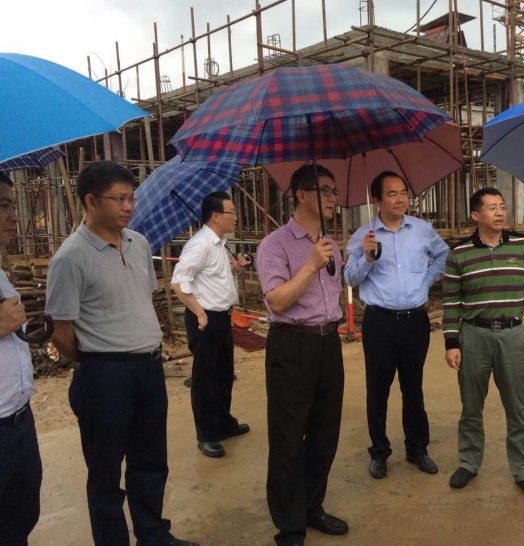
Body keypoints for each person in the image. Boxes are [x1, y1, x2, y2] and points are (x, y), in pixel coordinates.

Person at [45, 161, 198, 546]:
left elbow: (138, 301)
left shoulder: (138, 243)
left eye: (132, 198)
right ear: (91, 201)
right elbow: (61, 330)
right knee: (105, 474)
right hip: (104, 376)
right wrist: (97, 361)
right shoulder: (70, 258)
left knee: (151, 462)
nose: (129, 206)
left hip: (148, 370)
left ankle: (153, 535)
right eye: (119, 199)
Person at [255, 164, 348, 546]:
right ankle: (290, 527)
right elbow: (277, 301)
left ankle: (312, 506)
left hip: (328, 343)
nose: (332, 198)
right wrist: (310, 264)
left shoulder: (331, 244)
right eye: (324, 190)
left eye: (333, 191)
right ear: (301, 194)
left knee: (326, 432)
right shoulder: (274, 245)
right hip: (292, 344)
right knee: (288, 437)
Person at [442, 187, 524, 502]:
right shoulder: (459, 253)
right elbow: (451, 302)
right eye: (491, 207)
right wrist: (451, 342)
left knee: (517, 407)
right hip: (474, 335)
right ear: (475, 215)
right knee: (471, 406)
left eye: (502, 206)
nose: (500, 212)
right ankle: (468, 462)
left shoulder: (523, 247)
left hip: (512, 335)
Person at [344, 171, 449, 479]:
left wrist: (425, 282)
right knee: (378, 390)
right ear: (376, 200)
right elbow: (349, 278)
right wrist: (367, 257)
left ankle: (418, 449)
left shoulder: (422, 230)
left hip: (415, 321)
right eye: (392, 194)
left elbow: (443, 256)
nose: (401, 199)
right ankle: (379, 452)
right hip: (379, 322)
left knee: (413, 387)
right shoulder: (364, 236)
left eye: (403, 192)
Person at [171, 191, 250, 459]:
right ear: (216, 216)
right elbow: (178, 283)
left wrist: (235, 270)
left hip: (222, 317)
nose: (235, 217)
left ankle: (223, 423)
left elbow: (213, 278)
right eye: (231, 212)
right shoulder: (200, 244)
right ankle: (206, 435)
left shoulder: (220, 243)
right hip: (204, 319)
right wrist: (199, 313)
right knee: (205, 378)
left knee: (224, 374)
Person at [0, 172, 42, 545]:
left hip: (18, 420)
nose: (13, 216)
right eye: (2, 206)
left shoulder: (0, 273)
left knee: (20, 519)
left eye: (12, 205)